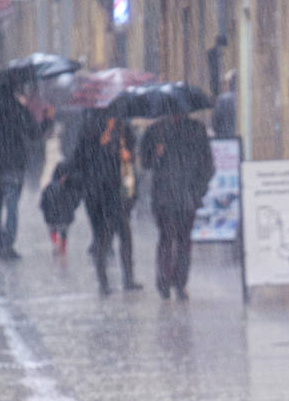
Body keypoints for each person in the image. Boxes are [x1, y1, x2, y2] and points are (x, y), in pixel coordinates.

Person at [139, 112, 213, 300]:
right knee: (167, 238)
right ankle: (164, 282)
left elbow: (207, 165)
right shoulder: (155, 131)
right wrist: (156, 154)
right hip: (164, 196)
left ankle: (180, 282)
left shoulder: (196, 130)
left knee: (183, 241)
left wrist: (198, 189)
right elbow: (146, 162)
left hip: (186, 195)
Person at [68, 112, 141, 294]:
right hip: (98, 192)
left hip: (120, 189)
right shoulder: (90, 130)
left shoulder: (124, 129)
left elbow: (132, 155)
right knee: (103, 237)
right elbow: (79, 160)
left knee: (125, 235)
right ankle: (103, 281)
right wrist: (99, 146)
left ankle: (128, 278)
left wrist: (127, 154)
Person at [0, 83, 43, 260]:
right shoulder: (18, 108)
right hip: (14, 165)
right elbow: (35, 133)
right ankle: (8, 245)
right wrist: (47, 119)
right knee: (12, 207)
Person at [39, 161, 79, 257]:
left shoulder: (48, 188)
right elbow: (74, 202)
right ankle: (63, 249)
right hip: (65, 217)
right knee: (64, 232)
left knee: (53, 229)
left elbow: (42, 204)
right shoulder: (70, 189)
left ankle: (55, 243)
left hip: (51, 217)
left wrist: (46, 213)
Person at [211, 70, 237, 139]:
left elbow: (215, 121)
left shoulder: (223, 99)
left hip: (225, 137)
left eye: (225, 82)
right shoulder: (244, 98)